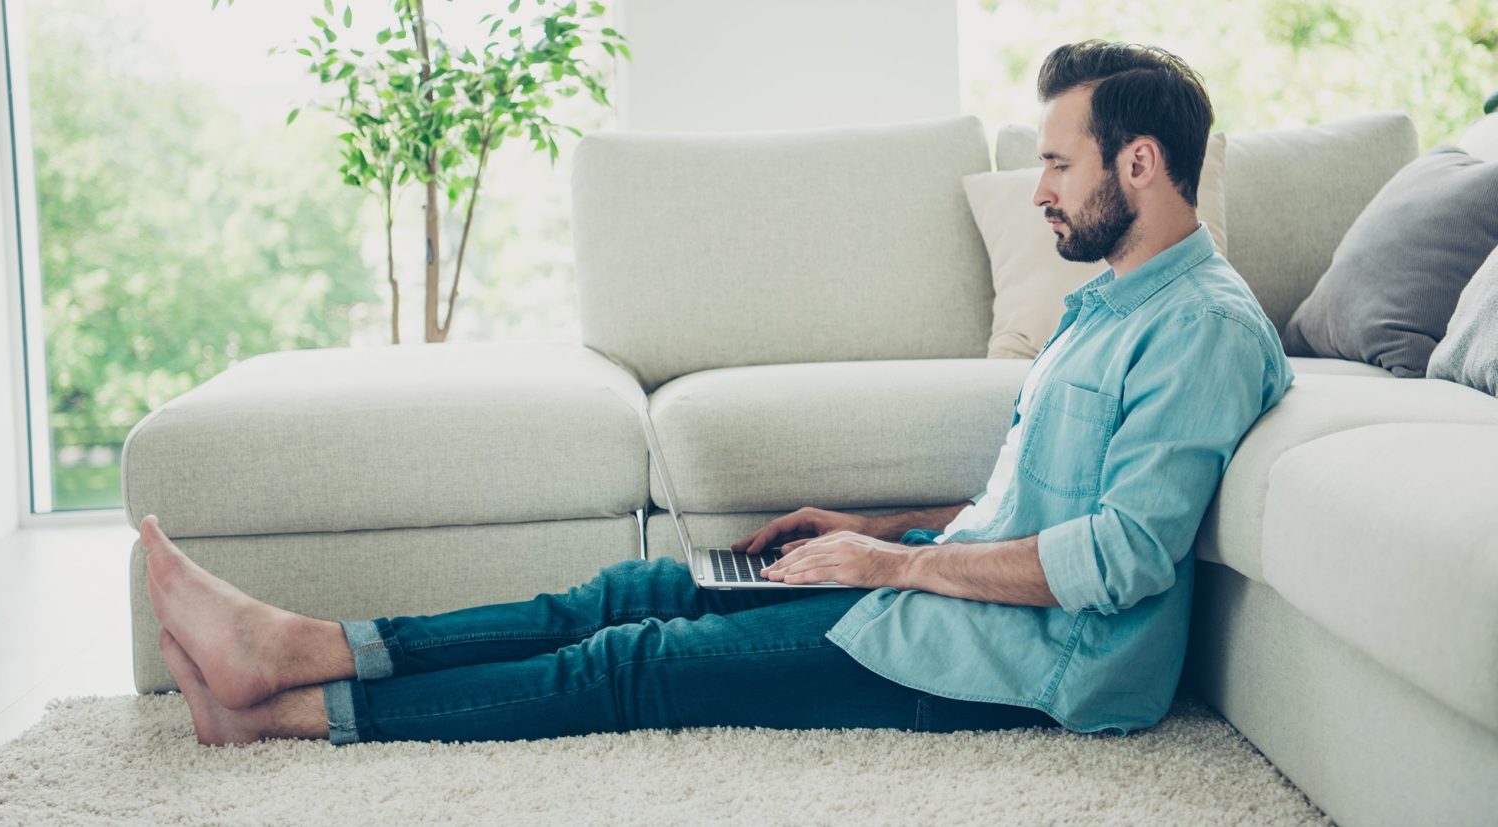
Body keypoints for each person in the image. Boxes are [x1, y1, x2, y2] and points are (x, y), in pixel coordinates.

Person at [144, 39, 1294, 747]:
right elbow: (1027, 509)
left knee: (632, 663)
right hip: (946, 585)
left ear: (1137, 164)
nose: (1039, 186)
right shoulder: (1108, 305)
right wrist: (870, 529)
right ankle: (308, 645)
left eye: (1057, 160)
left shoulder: (1199, 329)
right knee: (636, 584)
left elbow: (1122, 557)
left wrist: (891, 567)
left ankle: (290, 709)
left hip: (1017, 664)